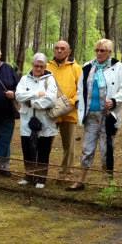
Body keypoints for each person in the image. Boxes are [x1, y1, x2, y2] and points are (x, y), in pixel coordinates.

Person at [68, 39, 122, 191]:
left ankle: (108, 183)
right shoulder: (88, 67)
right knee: (87, 148)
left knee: (106, 150)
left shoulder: (119, 67)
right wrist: (79, 103)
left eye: (103, 50)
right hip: (91, 115)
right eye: (97, 50)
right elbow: (81, 89)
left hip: (108, 116)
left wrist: (115, 101)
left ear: (110, 52)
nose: (99, 53)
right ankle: (81, 180)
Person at [15, 53, 60, 188]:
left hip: (45, 121)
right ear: (32, 65)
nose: (38, 68)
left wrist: (31, 103)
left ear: (45, 66)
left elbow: (51, 100)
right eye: (36, 65)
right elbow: (18, 95)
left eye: (41, 66)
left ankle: (41, 178)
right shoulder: (24, 79)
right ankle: (29, 176)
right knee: (27, 150)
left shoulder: (50, 80)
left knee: (43, 150)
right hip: (26, 121)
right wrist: (36, 94)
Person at [48, 40, 83, 178]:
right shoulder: (47, 67)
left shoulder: (76, 68)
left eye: (63, 48)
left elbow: (81, 90)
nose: (59, 50)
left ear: (68, 51)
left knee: (69, 145)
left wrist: (71, 103)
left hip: (69, 111)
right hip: (50, 112)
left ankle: (66, 172)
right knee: (45, 142)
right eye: (57, 48)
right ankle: (40, 170)